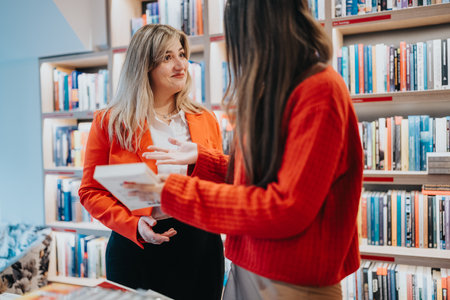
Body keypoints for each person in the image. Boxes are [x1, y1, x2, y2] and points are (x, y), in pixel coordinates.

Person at [127, 0, 364, 299]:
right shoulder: (278, 87)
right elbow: (266, 175)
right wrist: (206, 159)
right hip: (250, 264)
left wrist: (172, 192)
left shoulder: (319, 90)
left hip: (290, 278)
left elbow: (285, 206)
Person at [78, 24, 224, 300]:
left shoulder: (205, 118)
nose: (181, 64)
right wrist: (134, 225)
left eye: (182, 54)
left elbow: (220, 182)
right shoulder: (110, 122)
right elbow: (90, 192)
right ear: (144, 66)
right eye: (167, 58)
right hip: (136, 246)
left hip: (200, 246)